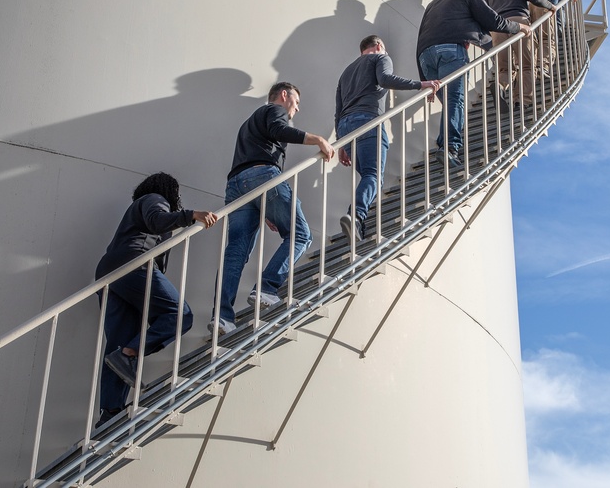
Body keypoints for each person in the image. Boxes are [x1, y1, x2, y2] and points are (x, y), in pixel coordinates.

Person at [96, 172, 219, 427]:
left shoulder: (137, 207)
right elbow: (156, 221)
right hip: (134, 264)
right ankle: (131, 353)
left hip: (110, 274)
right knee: (180, 315)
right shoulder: (155, 199)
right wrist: (190, 215)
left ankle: (110, 413)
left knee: (116, 347)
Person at [211, 82, 334, 335]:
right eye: (296, 103)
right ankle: (267, 288)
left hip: (237, 186)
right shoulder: (273, 110)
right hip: (262, 176)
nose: (296, 109)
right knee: (301, 234)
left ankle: (222, 317)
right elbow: (280, 131)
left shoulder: (249, 124)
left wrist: (264, 206)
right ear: (284, 95)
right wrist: (318, 139)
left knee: (236, 251)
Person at [335, 35, 439, 242]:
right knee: (373, 176)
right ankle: (355, 216)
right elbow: (385, 79)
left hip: (346, 126)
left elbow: (338, 109)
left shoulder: (346, 73)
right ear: (380, 46)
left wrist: (340, 142)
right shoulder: (380, 58)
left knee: (367, 176)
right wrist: (421, 84)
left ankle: (357, 217)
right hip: (369, 121)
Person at [416, 0, 530, 165]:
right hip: (451, 51)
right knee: (456, 101)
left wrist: (424, 81)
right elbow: (493, 20)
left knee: (450, 104)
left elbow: (420, 36)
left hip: (425, 57)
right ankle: (450, 148)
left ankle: (444, 144)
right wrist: (519, 27)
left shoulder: (432, 5)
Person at [483, 0, 554, 107]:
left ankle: (501, 87)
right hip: (519, 23)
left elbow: (485, 13)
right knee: (527, 65)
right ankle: (522, 100)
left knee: (505, 67)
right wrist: (551, 6)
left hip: (498, 28)